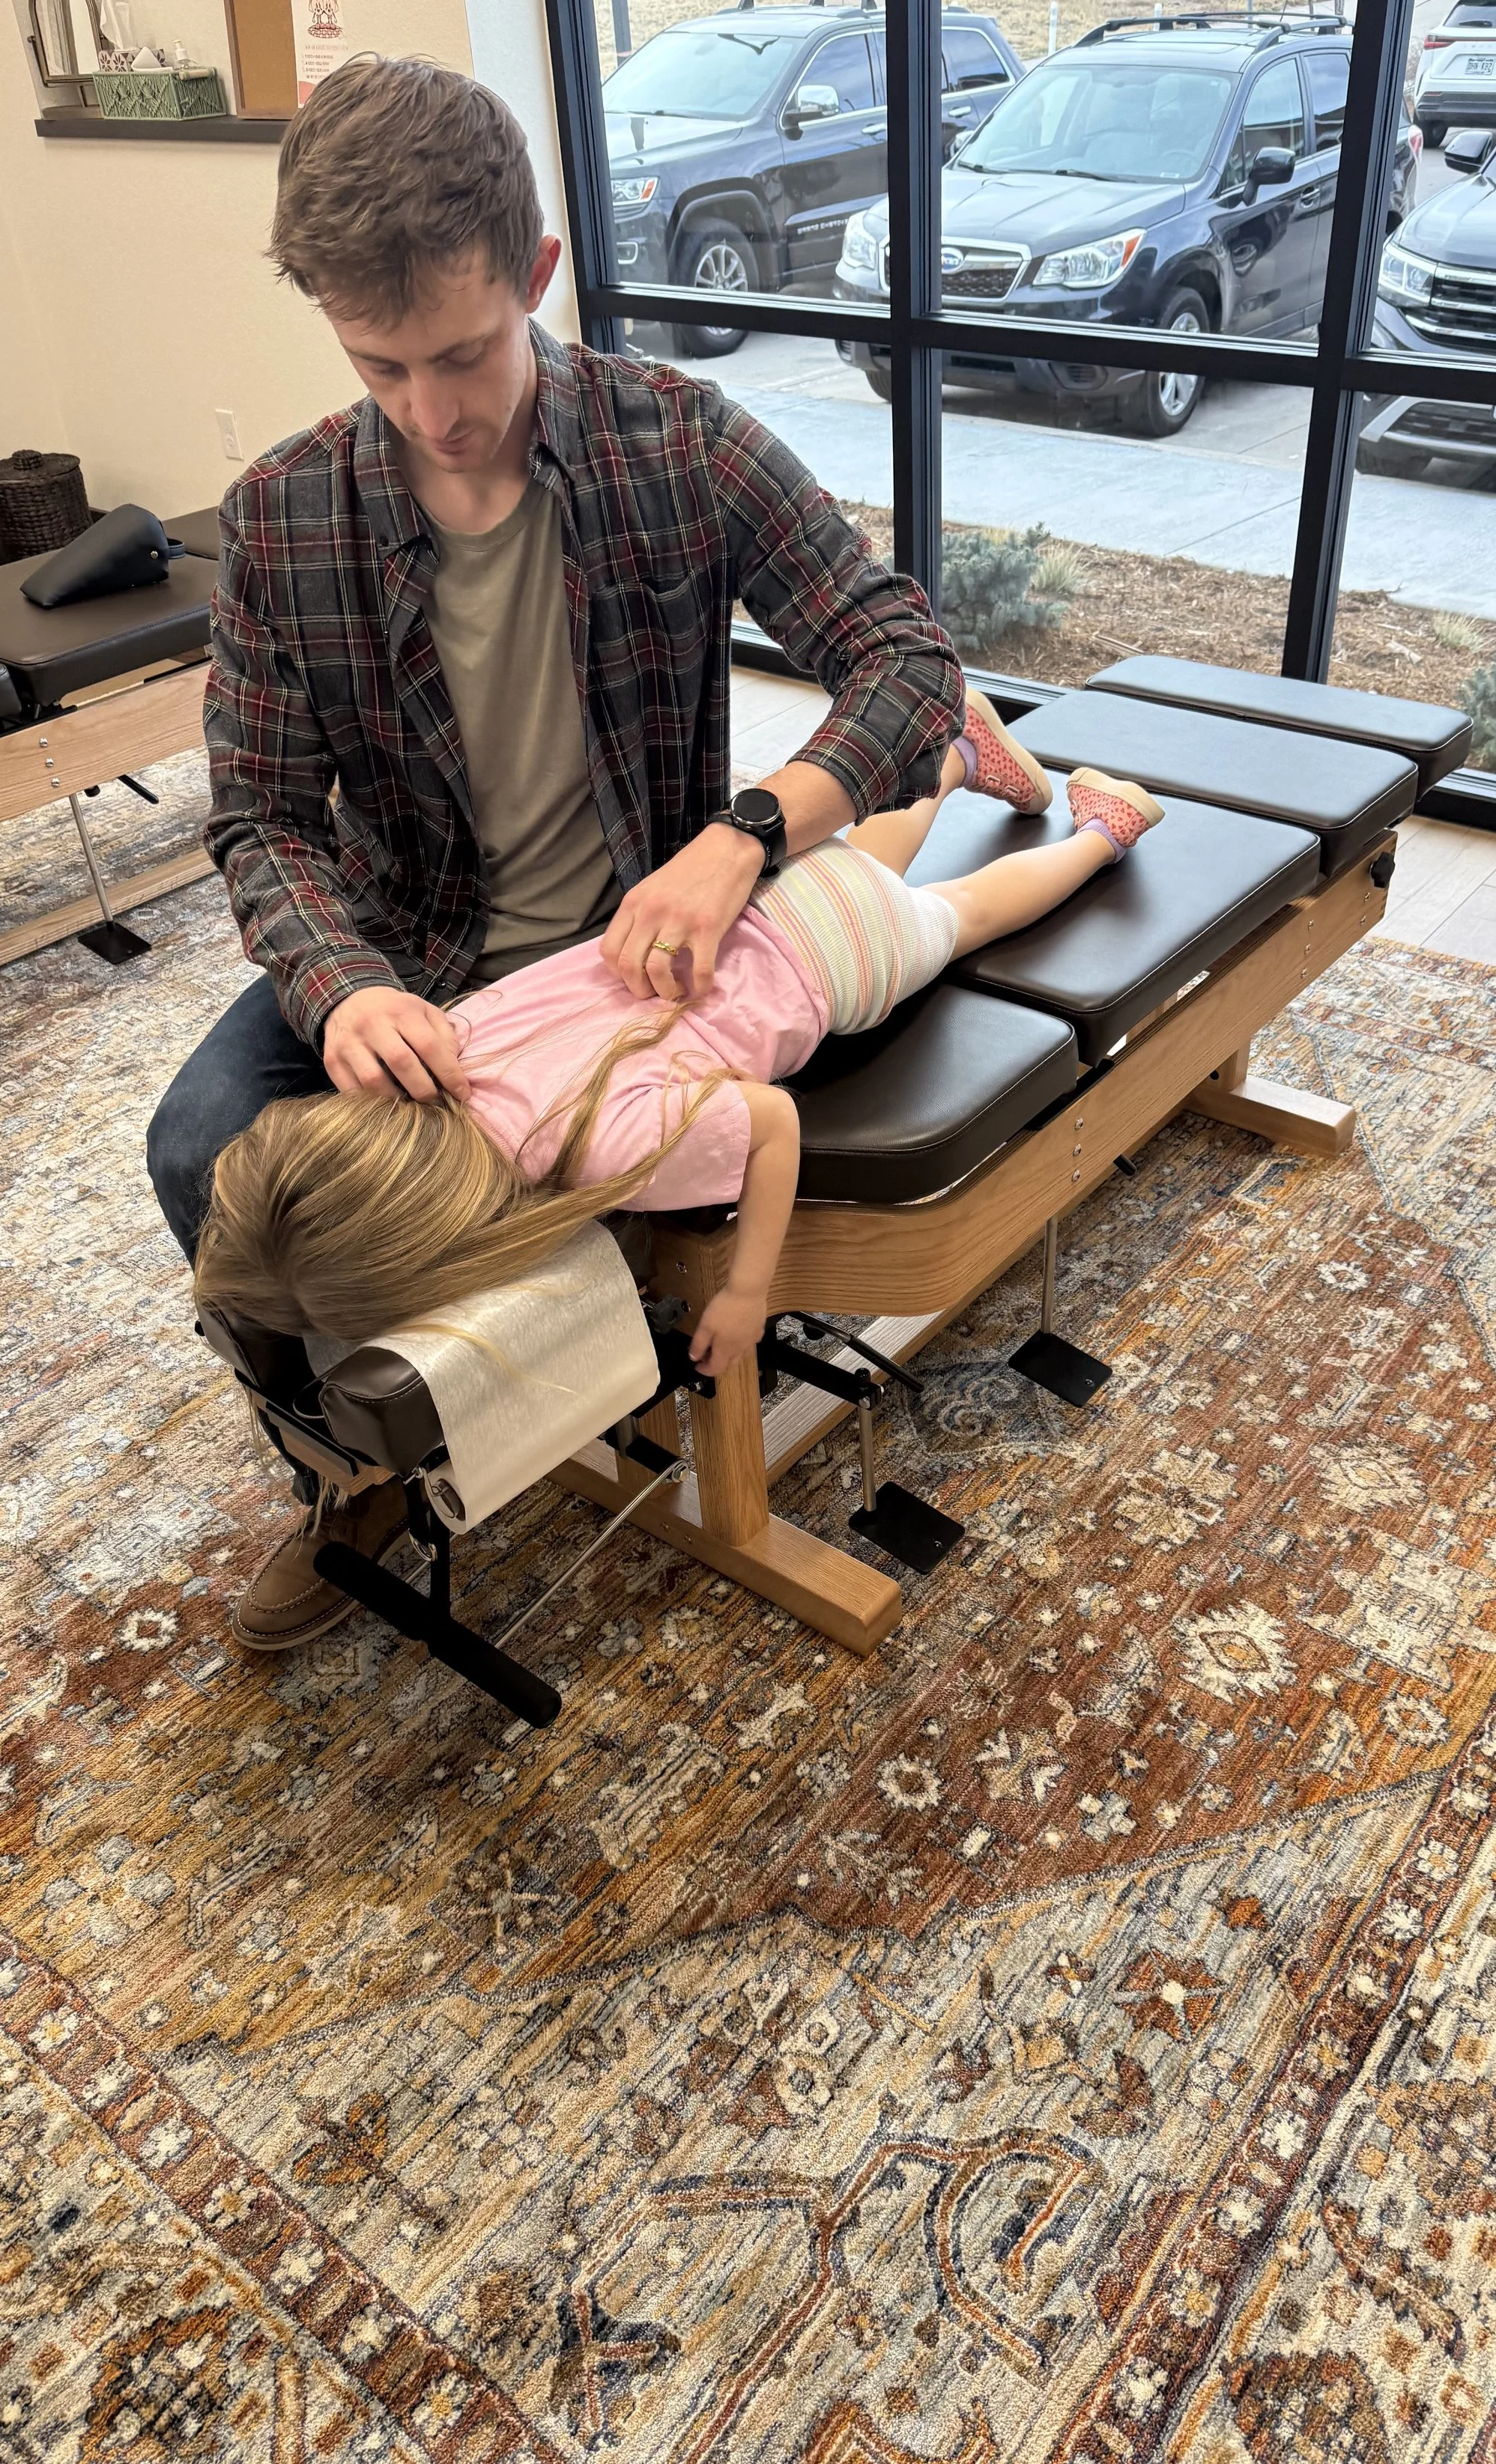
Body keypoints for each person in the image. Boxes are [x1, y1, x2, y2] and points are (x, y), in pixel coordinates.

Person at [144, 55, 965, 1649]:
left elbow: (906, 661)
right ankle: (351, 1465)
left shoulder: (680, 443)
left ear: (536, 272)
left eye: (462, 353)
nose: (432, 414)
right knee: (201, 1152)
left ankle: (567, 1355)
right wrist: (342, 990)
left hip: (642, 955)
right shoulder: (283, 517)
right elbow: (258, 817)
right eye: (379, 366)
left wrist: (745, 837)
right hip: (415, 955)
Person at [193, 712, 1163, 1484]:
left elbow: (773, 1124)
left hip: (836, 964)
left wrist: (749, 1291)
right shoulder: (442, 1044)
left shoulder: (598, 1149)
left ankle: (1102, 832)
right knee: (865, 861)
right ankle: (953, 754)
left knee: (967, 912)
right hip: (733, 898)